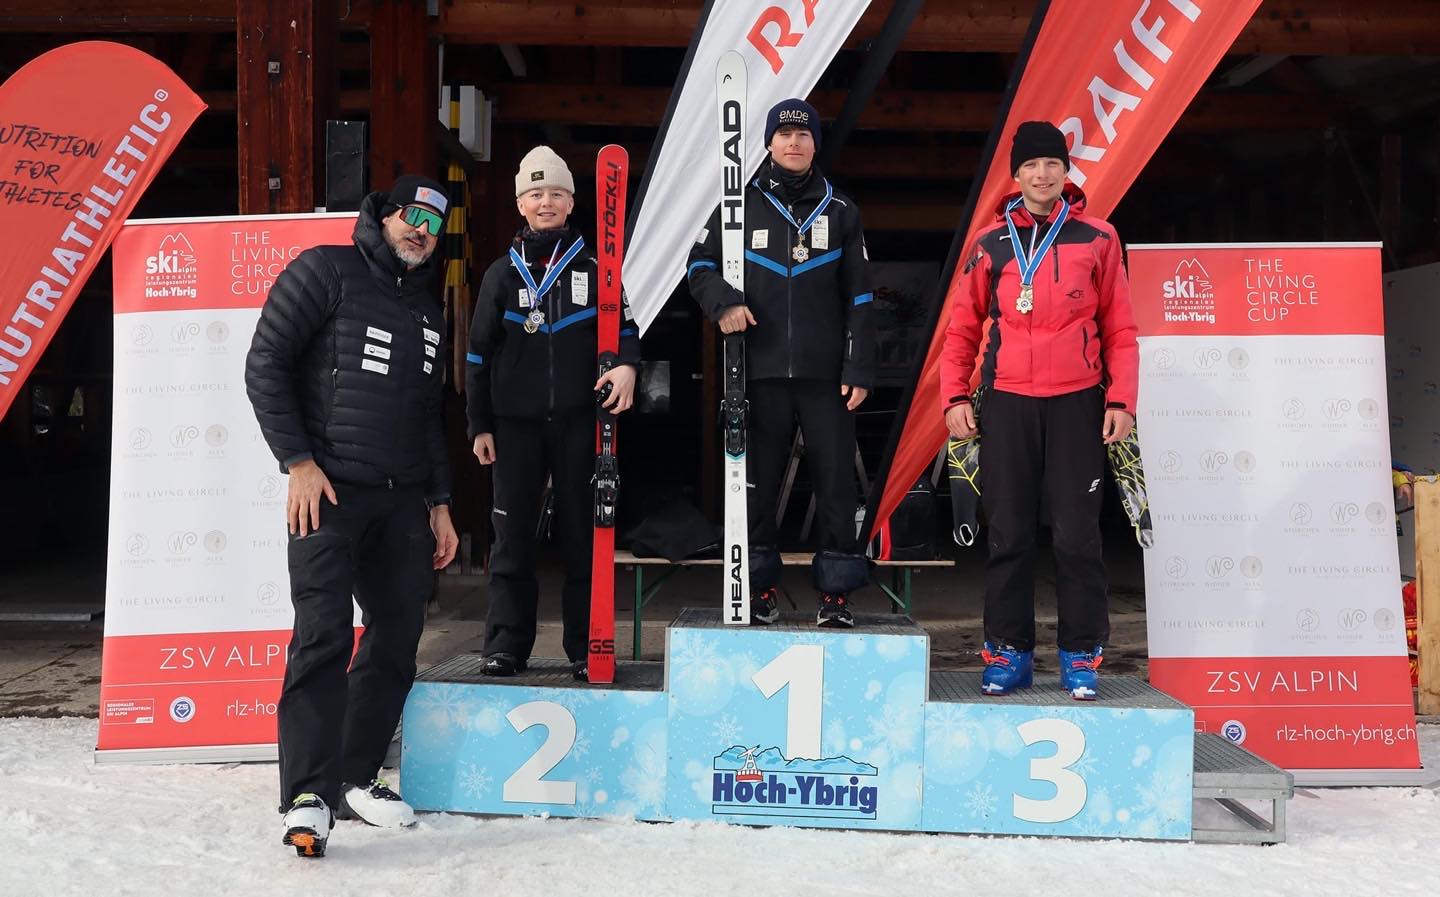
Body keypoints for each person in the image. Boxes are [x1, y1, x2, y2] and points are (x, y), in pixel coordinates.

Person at [245, 174, 460, 857]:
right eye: (410, 216)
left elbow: (429, 417)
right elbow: (266, 363)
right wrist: (298, 461)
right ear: (384, 214)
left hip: (401, 498)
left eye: (433, 222)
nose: (420, 230)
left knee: (398, 633)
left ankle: (358, 774)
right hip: (328, 491)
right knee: (324, 633)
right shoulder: (324, 270)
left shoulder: (427, 309)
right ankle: (307, 794)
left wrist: (440, 502)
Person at [940, 121, 1138, 700]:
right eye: (1031, 166)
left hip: (1079, 401)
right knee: (1007, 533)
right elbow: (962, 330)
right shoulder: (989, 243)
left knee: (1078, 536)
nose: (1042, 174)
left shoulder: (1098, 238)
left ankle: (1081, 656)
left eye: (1052, 163)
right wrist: (954, 396)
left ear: (1066, 171)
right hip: (1007, 401)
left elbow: (1121, 329)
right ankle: (1008, 653)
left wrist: (1122, 399)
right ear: (1016, 174)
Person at [687, 98, 876, 628]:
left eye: (804, 134)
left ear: (816, 143)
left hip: (827, 377)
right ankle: (757, 588)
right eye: (783, 135)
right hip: (757, 373)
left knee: (836, 485)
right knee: (755, 486)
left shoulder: (842, 211)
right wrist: (723, 303)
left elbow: (861, 298)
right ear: (768, 143)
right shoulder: (736, 206)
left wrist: (859, 368)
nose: (794, 143)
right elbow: (698, 265)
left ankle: (836, 595)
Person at [465, 146, 640, 679]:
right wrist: (479, 426)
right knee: (512, 539)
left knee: (583, 539)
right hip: (514, 427)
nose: (546, 203)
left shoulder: (599, 269)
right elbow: (476, 355)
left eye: (556, 194)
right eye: (536, 194)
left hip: (578, 424)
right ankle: (505, 648)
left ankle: (588, 649)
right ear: (521, 204)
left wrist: (629, 367)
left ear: (571, 202)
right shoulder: (500, 274)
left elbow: (626, 332)